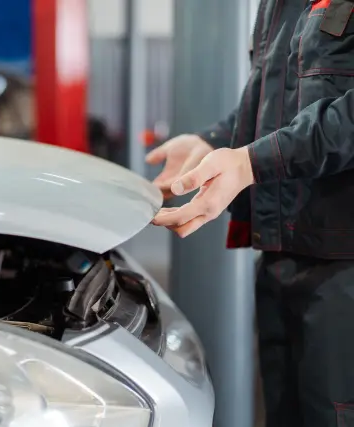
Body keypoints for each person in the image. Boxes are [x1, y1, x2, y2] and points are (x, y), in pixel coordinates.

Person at [146, 1, 354, 426]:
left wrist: (250, 163)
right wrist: (214, 141)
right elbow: (275, 102)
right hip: (281, 256)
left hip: (344, 272)